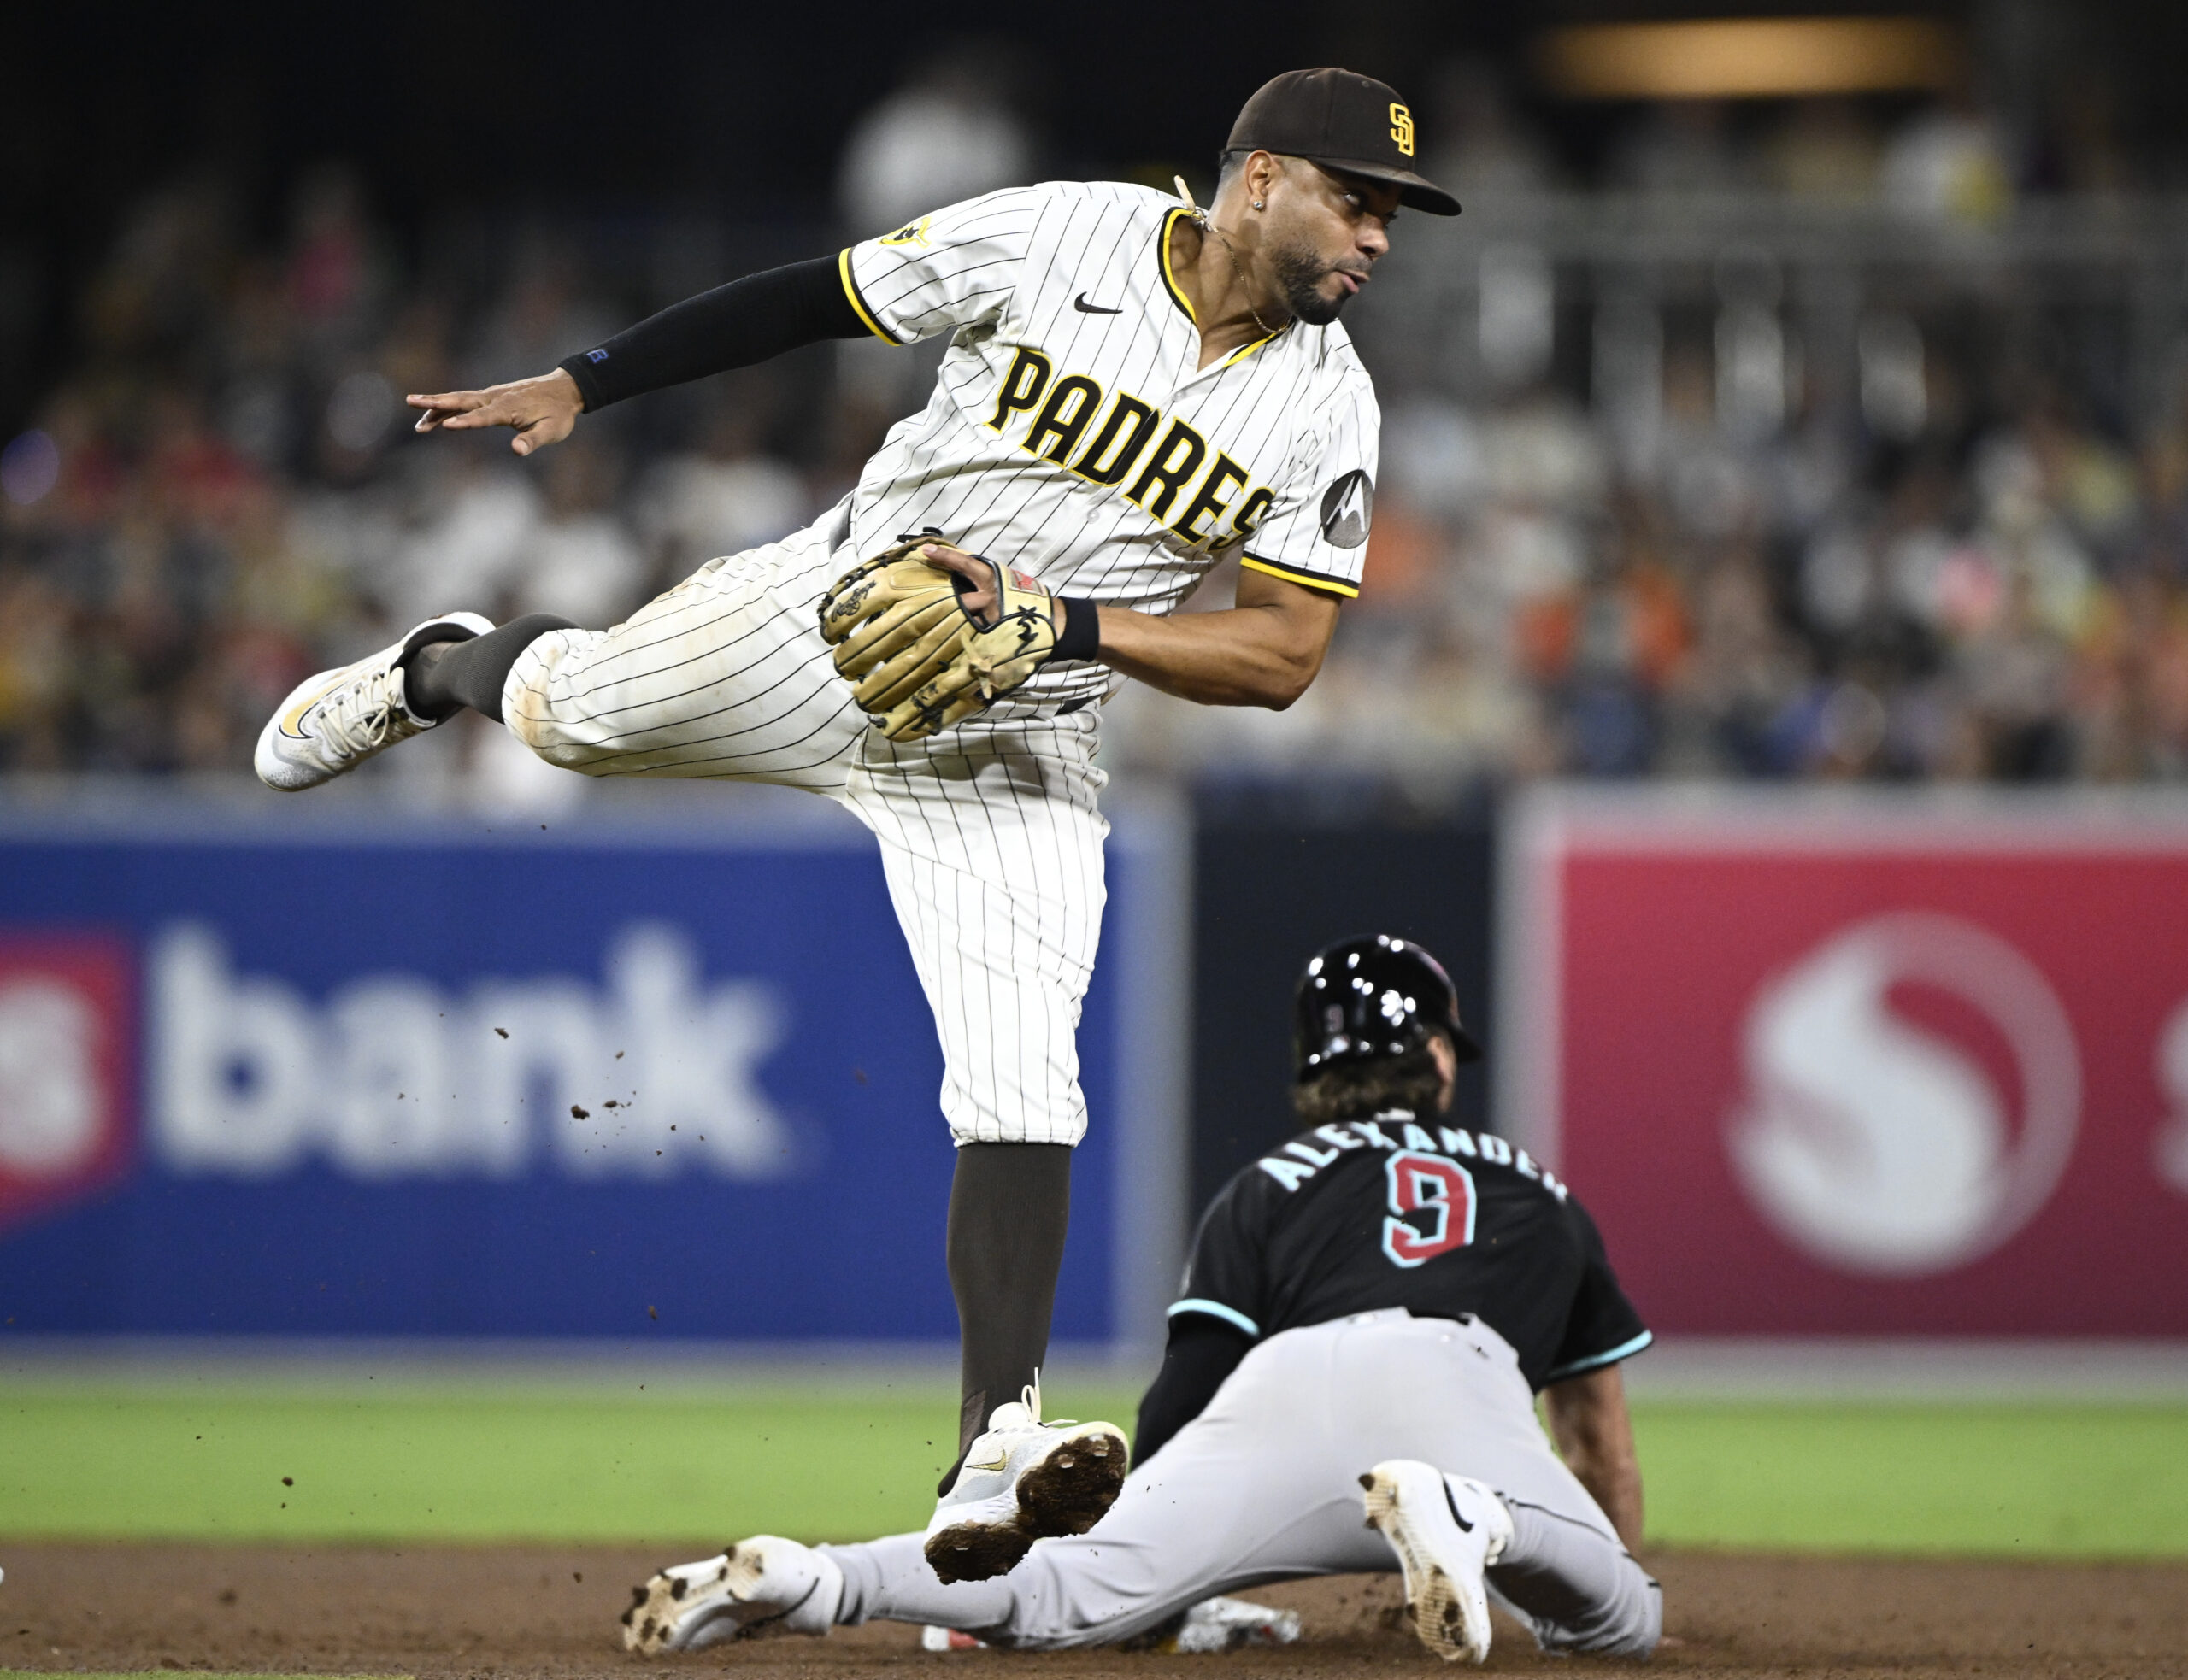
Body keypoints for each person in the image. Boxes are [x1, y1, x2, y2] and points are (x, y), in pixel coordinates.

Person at [250, 68, 1458, 1572]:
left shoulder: (1328, 401)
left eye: (1393, 213)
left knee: (1027, 1073)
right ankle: (441, 666)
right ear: (1262, 178)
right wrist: (589, 380)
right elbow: (819, 296)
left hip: (1021, 730)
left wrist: (1063, 623)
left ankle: (989, 1444)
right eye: (1360, 200)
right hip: (836, 620)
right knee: (571, 716)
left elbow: (1283, 654)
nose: (1380, 238)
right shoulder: (1064, 238)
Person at [618, 935, 1662, 1664]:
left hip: (1283, 1389)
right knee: (1620, 1616)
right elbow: (1601, 1445)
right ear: (1436, 1055)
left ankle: (813, 1578)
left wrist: (1155, 1557)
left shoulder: (1270, 1184)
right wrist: (1573, 1559)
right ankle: (1471, 1516)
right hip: (1458, 1387)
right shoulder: (1540, 1191)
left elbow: (1191, 1389)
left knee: (1067, 1594)